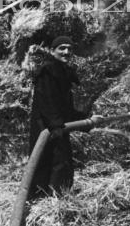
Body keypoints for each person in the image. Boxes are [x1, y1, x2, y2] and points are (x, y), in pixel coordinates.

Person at [28, 35, 95, 198]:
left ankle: (56, 198)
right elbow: (47, 102)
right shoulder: (47, 71)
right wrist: (56, 126)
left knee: (61, 163)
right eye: (62, 48)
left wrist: (86, 120)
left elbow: (65, 107)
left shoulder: (65, 73)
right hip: (45, 126)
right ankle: (40, 199)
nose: (66, 52)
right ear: (52, 51)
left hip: (58, 125)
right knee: (46, 162)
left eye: (70, 49)